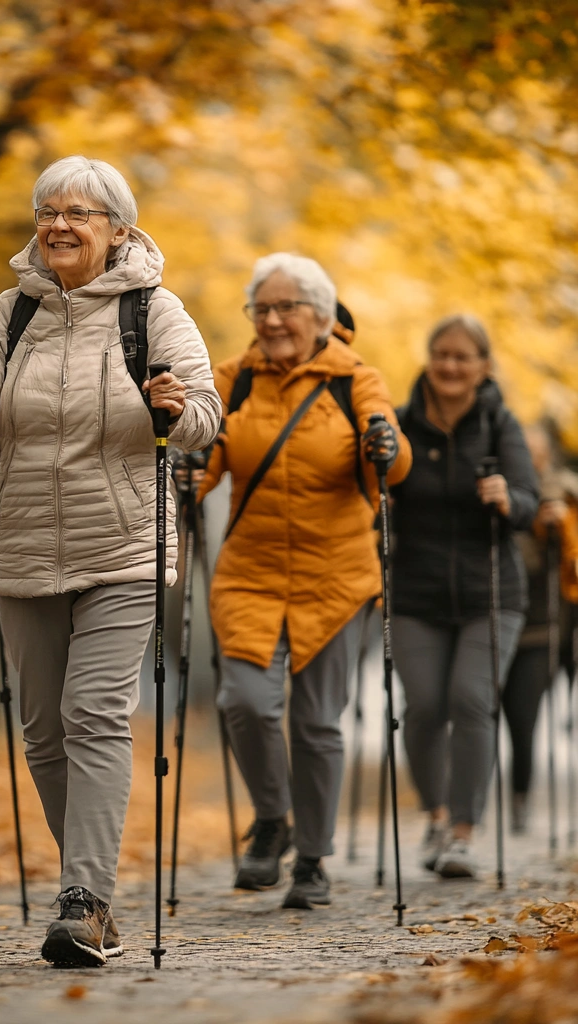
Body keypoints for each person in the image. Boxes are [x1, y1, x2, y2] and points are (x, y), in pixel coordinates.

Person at [0, 156, 220, 966]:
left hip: (123, 545)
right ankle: (93, 894)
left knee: (93, 714)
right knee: (43, 734)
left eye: (81, 212)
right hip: (23, 544)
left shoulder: (153, 311)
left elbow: (205, 416)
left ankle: (82, 901)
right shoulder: (8, 313)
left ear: (118, 229)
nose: (60, 224)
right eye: (49, 209)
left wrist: (177, 409)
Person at [199, 255, 410, 910]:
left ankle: (312, 861)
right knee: (244, 701)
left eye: (287, 307)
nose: (272, 320)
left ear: (320, 315)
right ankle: (272, 818)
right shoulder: (232, 380)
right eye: (261, 308)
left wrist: (385, 446)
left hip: (335, 577)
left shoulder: (356, 379)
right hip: (251, 574)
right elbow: (201, 456)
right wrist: (179, 474)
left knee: (318, 724)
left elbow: (393, 463)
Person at [391, 314, 539, 878]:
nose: (450, 365)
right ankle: (435, 815)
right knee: (425, 708)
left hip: (491, 592)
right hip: (414, 591)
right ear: (429, 359)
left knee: (471, 700)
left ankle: (462, 832)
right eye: (441, 354)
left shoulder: (501, 424)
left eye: (462, 356)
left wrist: (510, 498)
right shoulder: (401, 424)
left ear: (483, 367)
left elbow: (528, 501)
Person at [501, 423, 578, 833]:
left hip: (541, 630)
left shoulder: (564, 496)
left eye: (536, 452)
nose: (530, 460)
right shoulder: (502, 495)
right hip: (495, 618)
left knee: (523, 719)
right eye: (523, 451)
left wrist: (557, 528)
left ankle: (519, 799)